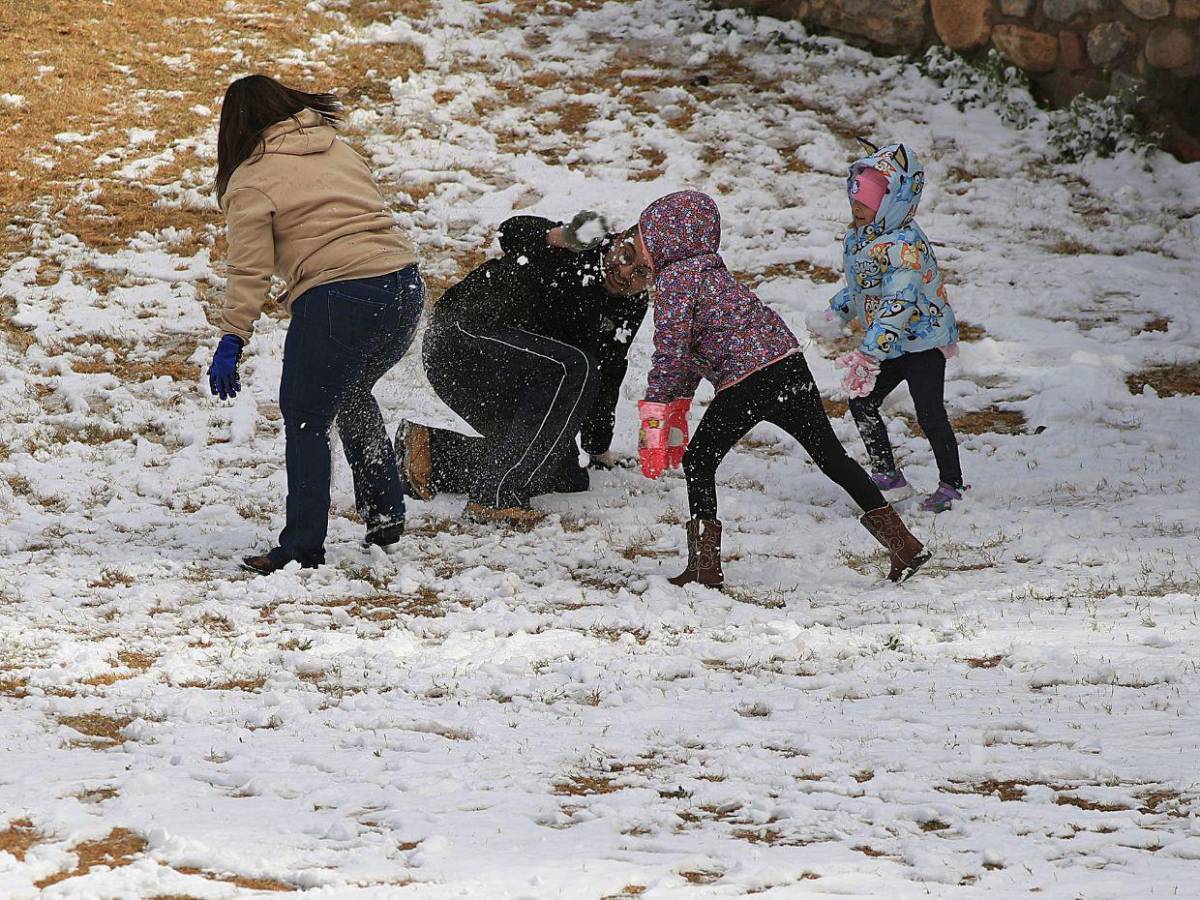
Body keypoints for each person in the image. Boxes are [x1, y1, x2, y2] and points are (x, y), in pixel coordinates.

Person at [632, 190, 930, 588]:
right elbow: (691, 351)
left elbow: (671, 351)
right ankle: (905, 545)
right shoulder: (710, 270)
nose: (642, 248)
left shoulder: (675, 281)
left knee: (700, 460)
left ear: (665, 240)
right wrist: (679, 403)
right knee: (831, 457)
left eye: (646, 238)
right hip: (787, 364)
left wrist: (654, 414)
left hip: (748, 379)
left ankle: (704, 569)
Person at [207, 75, 424, 574]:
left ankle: (301, 548)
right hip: (403, 285)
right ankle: (384, 509)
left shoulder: (251, 178)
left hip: (338, 295)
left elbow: (249, 270)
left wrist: (232, 337)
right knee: (348, 390)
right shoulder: (336, 146)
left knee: (305, 415)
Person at [408, 212, 650, 527]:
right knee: (574, 367)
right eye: (627, 255)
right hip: (464, 336)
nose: (626, 271)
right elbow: (510, 232)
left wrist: (597, 447)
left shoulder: (631, 305)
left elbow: (609, 371)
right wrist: (561, 237)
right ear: (618, 240)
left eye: (642, 271)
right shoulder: (584, 245)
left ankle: (432, 450)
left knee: (564, 474)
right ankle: (496, 496)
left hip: (518, 372)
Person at [814, 142, 964, 513]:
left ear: (893, 203)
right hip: (891, 344)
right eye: (855, 204)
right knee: (862, 401)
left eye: (866, 205)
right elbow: (865, 287)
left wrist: (869, 351)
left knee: (929, 413)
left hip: (922, 340)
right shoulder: (861, 238)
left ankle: (952, 485)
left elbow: (899, 303)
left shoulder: (904, 248)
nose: (857, 211)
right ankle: (886, 473)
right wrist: (838, 311)